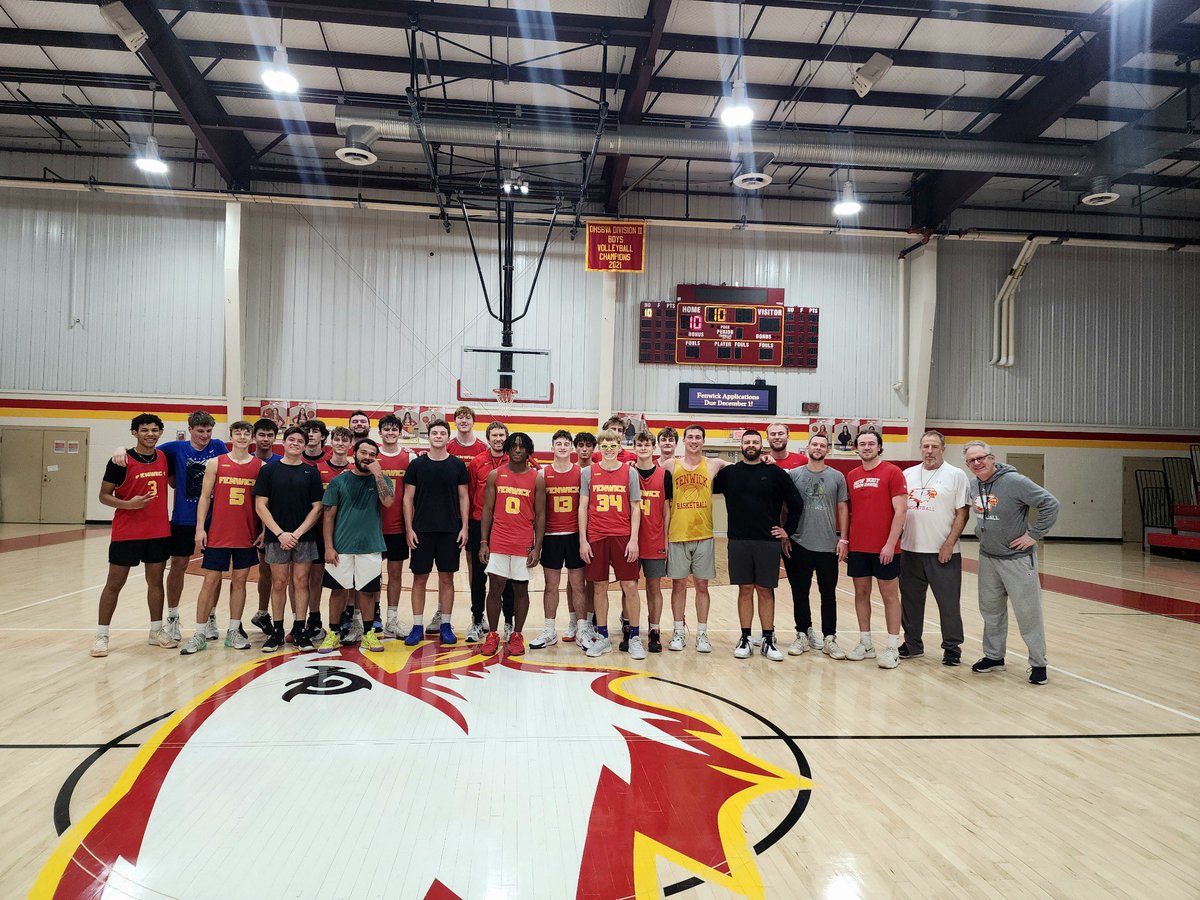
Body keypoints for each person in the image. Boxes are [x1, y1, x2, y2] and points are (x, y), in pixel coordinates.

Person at [110, 410, 228, 643]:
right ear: (190, 430)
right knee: (178, 566)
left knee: (214, 570)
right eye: (200, 431)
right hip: (183, 518)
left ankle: (211, 616)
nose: (205, 435)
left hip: (214, 518)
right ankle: (172, 617)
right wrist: (120, 449)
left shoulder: (219, 447)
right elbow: (144, 449)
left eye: (208, 431)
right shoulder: (175, 448)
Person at [963, 441, 1060, 685]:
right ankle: (994, 657)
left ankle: (1038, 663)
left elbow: (1051, 504)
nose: (977, 463)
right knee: (991, 611)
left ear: (992, 457)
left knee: (1028, 614)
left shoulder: (1015, 481)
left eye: (981, 458)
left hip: (1016, 560)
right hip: (988, 557)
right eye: (971, 460)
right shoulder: (974, 485)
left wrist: (1033, 535)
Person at [713, 430, 803, 662]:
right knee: (745, 590)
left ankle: (768, 638)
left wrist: (788, 531)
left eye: (755, 442)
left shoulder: (774, 472)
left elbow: (796, 501)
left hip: (767, 541)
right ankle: (745, 637)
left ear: (761, 446)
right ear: (740, 446)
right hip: (739, 541)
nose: (750, 445)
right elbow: (703, 481)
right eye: (746, 442)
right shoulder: (730, 473)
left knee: (765, 590)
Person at [92, 414, 177, 656]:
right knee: (114, 584)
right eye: (144, 430)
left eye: (154, 430)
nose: (150, 434)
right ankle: (101, 635)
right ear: (134, 433)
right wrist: (129, 504)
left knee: (155, 582)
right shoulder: (120, 461)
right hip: (127, 532)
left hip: (158, 531)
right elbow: (104, 495)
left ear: (160, 432)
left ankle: (155, 631)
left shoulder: (164, 457)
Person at [180, 421, 263, 654]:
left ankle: (234, 631)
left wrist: (264, 530)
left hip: (246, 534)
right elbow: (205, 497)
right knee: (209, 582)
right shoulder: (216, 462)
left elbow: (263, 502)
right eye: (238, 432)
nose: (242, 436)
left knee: (239, 582)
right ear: (231, 436)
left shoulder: (260, 466)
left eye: (247, 433)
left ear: (252, 438)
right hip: (218, 533)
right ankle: (198, 634)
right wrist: (200, 528)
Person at [316, 438, 395, 654]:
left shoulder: (383, 479)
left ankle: (368, 634)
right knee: (338, 591)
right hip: (341, 547)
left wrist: (378, 474)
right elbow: (329, 516)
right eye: (363, 452)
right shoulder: (339, 482)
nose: (367, 457)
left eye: (372, 454)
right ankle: (333, 633)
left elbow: (388, 502)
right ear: (354, 453)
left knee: (367, 593)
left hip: (370, 546)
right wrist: (329, 547)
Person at [900, 430, 969, 667]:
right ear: (920, 449)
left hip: (943, 552)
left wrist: (949, 543)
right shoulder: (907, 474)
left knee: (948, 603)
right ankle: (912, 644)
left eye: (934, 447)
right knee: (910, 602)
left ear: (943, 449)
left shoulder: (956, 475)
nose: (929, 451)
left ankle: (952, 647)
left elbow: (962, 512)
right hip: (910, 550)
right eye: (925, 447)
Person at [253, 426, 325, 652]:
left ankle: (300, 630)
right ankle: (276, 631)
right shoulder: (269, 471)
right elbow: (260, 505)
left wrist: (297, 533)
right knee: (279, 583)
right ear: (283, 443)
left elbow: (317, 507)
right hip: (277, 538)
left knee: (301, 583)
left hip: (303, 538)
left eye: (300, 441)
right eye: (291, 439)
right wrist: (280, 533)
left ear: (305, 446)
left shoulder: (311, 472)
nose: (295, 443)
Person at [402, 419, 469, 646]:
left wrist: (465, 527)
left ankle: (446, 626)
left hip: (450, 530)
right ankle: (417, 626)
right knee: (419, 579)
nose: (438, 436)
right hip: (422, 530)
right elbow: (407, 498)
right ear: (428, 437)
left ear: (447, 438)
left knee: (447, 579)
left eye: (442, 433)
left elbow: (464, 497)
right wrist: (409, 528)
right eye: (434, 433)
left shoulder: (458, 465)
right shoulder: (417, 466)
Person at [844, 430, 908, 669]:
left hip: (886, 548)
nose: (867, 447)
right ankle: (866, 643)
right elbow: (850, 512)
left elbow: (901, 511)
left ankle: (892, 647)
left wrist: (890, 543)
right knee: (861, 594)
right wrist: (847, 541)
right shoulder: (852, 475)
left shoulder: (892, 472)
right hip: (859, 546)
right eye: (863, 444)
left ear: (880, 447)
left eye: (872, 443)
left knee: (889, 596)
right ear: (856, 448)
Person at [783, 433, 849, 659]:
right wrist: (786, 534)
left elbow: (843, 509)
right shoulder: (794, 475)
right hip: (800, 542)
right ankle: (802, 634)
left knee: (828, 594)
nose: (818, 448)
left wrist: (844, 539)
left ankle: (830, 638)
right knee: (799, 592)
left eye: (822, 445)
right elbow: (785, 507)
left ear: (827, 450)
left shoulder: (837, 477)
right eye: (815, 444)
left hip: (828, 545)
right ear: (807, 448)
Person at [479, 433, 546, 656]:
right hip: (498, 541)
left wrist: (537, 547)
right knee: (495, 589)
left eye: (522, 447)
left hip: (523, 543)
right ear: (507, 449)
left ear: (529, 451)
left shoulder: (537, 477)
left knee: (520, 590)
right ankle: (493, 634)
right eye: (514, 446)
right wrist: (484, 542)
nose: (518, 450)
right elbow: (487, 510)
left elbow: (541, 514)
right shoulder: (495, 475)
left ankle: (517, 634)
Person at [663, 425, 728, 653]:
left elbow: (743, 468)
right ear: (684, 440)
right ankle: (678, 632)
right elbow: (648, 473)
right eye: (690, 437)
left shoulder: (714, 464)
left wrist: (767, 459)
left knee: (702, 586)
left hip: (704, 534)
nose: (693, 440)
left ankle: (702, 633)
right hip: (677, 534)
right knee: (678, 585)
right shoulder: (671, 464)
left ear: (703, 441)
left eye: (698, 437)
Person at [579, 429, 643, 658]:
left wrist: (634, 539)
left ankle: (634, 636)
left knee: (630, 586)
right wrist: (583, 540)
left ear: (619, 447)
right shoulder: (588, 472)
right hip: (596, 536)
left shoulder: (630, 473)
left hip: (623, 536)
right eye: (604, 446)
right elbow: (582, 507)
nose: (608, 450)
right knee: (600, 587)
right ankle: (603, 637)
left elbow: (636, 507)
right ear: (599, 448)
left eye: (612, 446)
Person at [531, 429, 585, 649]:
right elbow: (538, 511)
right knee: (550, 586)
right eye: (558, 443)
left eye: (566, 443)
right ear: (552, 447)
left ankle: (581, 630)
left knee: (578, 586)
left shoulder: (582, 473)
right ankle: (549, 631)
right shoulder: (542, 474)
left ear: (571, 448)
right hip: (551, 537)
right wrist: (537, 542)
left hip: (574, 536)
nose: (562, 447)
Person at [464, 422, 518, 641]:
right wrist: (467, 526)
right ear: (487, 438)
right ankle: (477, 621)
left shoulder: (516, 461)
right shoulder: (477, 462)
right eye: (494, 435)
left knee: (507, 577)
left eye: (501, 435)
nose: (498, 439)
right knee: (479, 577)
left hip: (506, 526)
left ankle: (508, 622)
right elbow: (469, 493)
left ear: (507, 438)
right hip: (479, 525)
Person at [632, 430, 671, 652]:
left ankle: (654, 630)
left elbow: (666, 509)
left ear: (653, 448)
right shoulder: (627, 473)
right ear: (634, 447)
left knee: (654, 587)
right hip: (631, 540)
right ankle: (629, 627)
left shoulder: (664, 475)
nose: (644, 448)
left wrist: (665, 538)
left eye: (647, 445)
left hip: (655, 539)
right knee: (630, 586)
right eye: (640, 445)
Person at [313, 428, 352, 642]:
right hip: (321, 532)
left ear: (350, 444)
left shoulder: (356, 470)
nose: (340, 443)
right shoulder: (319, 469)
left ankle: (345, 620)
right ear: (330, 442)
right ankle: (314, 620)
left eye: (344, 440)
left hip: (346, 534)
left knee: (346, 582)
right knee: (316, 580)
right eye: (336, 439)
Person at [376, 413, 412, 638]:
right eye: (386, 429)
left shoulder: (409, 458)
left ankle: (392, 619)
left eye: (393, 429)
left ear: (400, 432)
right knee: (372, 576)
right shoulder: (372, 456)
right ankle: (372, 618)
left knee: (395, 574)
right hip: (373, 527)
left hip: (398, 526)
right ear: (379, 432)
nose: (390, 433)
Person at [249, 418, 281, 636]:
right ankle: (212, 616)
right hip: (243, 521)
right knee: (232, 573)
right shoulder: (244, 460)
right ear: (254, 436)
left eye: (270, 435)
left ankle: (263, 613)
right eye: (262, 434)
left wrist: (266, 529)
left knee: (268, 569)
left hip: (268, 523)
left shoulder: (280, 462)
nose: (266, 439)